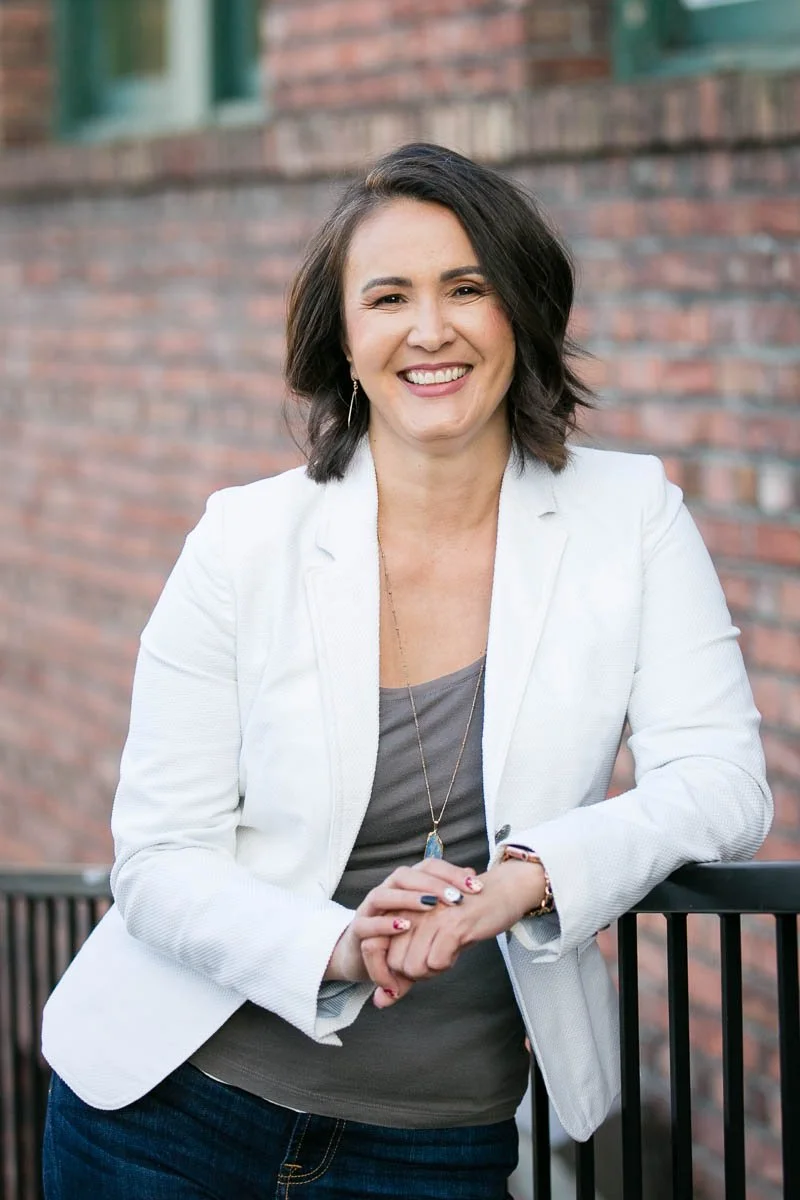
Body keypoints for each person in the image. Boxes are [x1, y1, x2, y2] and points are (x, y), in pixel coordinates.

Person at [41, 142, 771, 1200]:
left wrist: (531, 878)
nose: (429, 330)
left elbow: (718, 780)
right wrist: (338, 946)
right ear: (343, 339)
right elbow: (156, 858)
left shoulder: (633, 517)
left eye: (465, 288)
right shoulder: (242, 541)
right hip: (163, 1117)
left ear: (518, 309)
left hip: (434, 1142)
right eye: (388, 297)